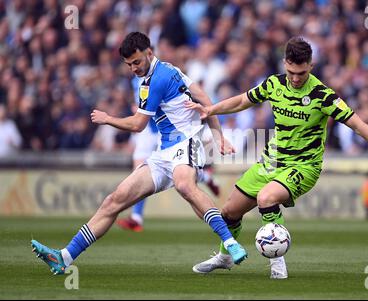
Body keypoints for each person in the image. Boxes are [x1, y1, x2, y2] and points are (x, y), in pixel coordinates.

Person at [186, 37, 368, 279]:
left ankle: (277, 261)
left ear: (311, 66)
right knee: (229, 213)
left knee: (267, 197)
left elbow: (358, 125)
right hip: (270, 162)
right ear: (285, 63)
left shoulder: (323, 95)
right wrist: (211, 109)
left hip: (304, 167)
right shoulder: (273, 84)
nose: (295, 78)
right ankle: (225, 257)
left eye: (301, 73)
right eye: (291, 71)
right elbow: (242, 100)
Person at [31, 32, 247, 275]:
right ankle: (64, 257)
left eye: (137, 62)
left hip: (186, 142)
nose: (133, 68)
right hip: (163, 152)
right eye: (129, 64)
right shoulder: (169, 69)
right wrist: (218, 137)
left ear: (149, 53)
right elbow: (204, 99)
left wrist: (107, 118)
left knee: (185, 186)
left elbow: (138, 125)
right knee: (114, 200)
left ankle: (230, 244)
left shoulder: (157, 79)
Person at [116, 77, 221, 232]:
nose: (133, 66)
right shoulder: (134, 81)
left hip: (165, 127)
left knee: (179, 176)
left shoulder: (161, 76)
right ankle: (136, 217)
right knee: (139, 170)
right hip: (146, 128)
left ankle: (204, 176)